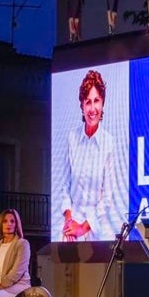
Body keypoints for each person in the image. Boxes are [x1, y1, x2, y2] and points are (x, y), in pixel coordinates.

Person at [58, 69, 126, 241]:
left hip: (98, 229)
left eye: (96, 101)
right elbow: (64, 186)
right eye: (88, 102)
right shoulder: (71, 138)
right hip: (71, 229)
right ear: (81, 105)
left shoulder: (109, 142)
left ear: (103, 103)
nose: (92, 108)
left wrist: (83, 227)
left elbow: (108, 197)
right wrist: (69, 222)